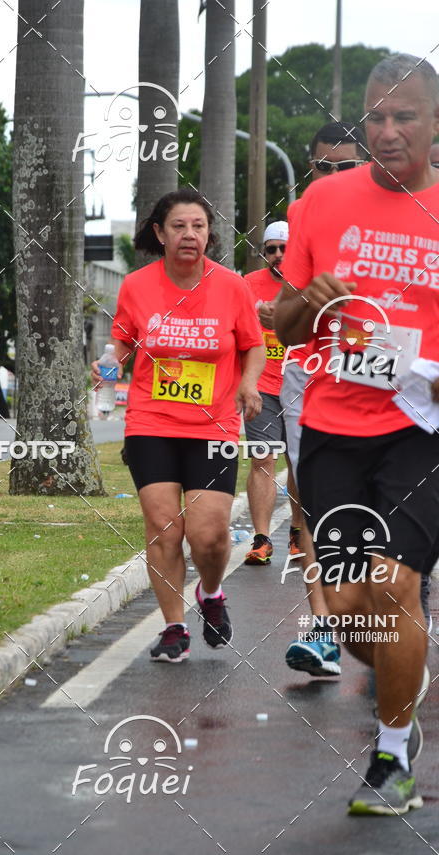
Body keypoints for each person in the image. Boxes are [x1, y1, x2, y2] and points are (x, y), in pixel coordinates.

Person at [275, 54, 439, 815]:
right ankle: (408, 663)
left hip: (421, 427)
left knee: (394, 583)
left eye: (404, 116)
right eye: (376, 115)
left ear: (435, 125)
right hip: (333, 424)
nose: (387, 130)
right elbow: (281, 325)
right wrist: (307, 301)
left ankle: (392, 757)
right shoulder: (322, 201)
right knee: (349, 612)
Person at [92, 187, 265, 661]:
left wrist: (249, 384)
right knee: (164, 527)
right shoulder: (137, 286)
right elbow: (123, 343)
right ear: (159, 233)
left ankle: (210, 592)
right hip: (151, 420)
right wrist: (110, 365)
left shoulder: (232, 286)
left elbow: (253, 344)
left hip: (213, 426)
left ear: (209, 234)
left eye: (199, 227)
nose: (190, 235)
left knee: (208, 535)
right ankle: (173, 627)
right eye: (179, 227)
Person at [282, 121, 368, 676]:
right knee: (314, 505)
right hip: (315, 377)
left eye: (344, 167)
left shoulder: (407, 207)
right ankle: (323, 633)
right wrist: (299, 305)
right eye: (322, 167)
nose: (331, 178)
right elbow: (291, 321)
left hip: (394, 390)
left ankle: (392, 622)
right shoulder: (303, 215)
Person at [243, 222, 303, 565]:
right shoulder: (249, 285)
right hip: (262, 388)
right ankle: (262, 539)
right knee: (263, 460)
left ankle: (297, 533)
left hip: (302, 385)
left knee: (298, 462)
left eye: (284, 248)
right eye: (271, 249)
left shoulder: (309, 283)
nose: (278, 255)